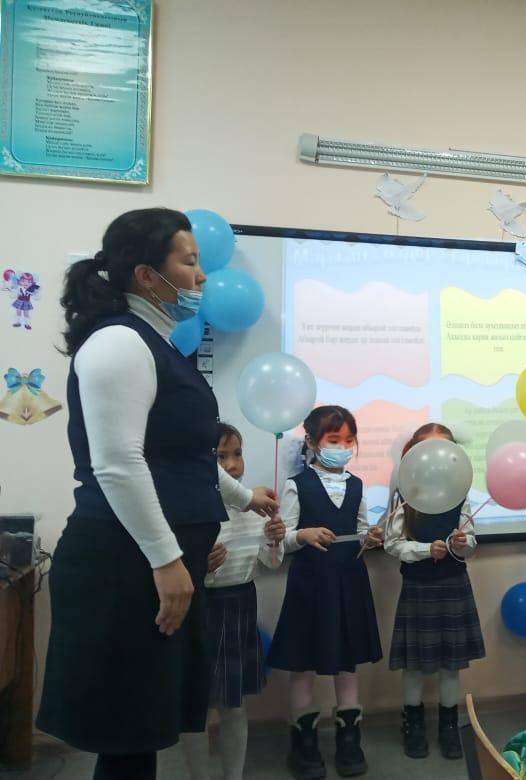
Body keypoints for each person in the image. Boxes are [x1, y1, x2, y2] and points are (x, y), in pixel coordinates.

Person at [36, 208, 278, 780]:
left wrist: (244, 498)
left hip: (152, 562)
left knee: (139, 733)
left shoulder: (159, 344)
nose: (202, 277)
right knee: (127, 738)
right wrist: (167, 560)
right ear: (147, 275)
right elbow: (118, 464)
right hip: (126, 566)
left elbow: (185, 455)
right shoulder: (119, 342)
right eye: (189, 262)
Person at [267, 405, 384, 779]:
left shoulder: (357, 485)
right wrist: (301, 535)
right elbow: (282, 538)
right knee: (303, 664)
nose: (343, 447)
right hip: (310, 586)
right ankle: (304, 744)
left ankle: (349, 742)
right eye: (334, 440)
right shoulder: (296, 484)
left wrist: (371, 538)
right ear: (313, 442)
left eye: (349, 440)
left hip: (350, 583)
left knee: (346, 663)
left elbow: (361, 531)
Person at [180, 423, 287, 780]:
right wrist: (200, 566)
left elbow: (270, 563)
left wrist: (275, 539)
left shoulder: (253, 507)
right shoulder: (190, 509)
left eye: (237, 454)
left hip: (240, 606)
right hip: (201, 609)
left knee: (234, 706)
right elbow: (173, 569)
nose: (231, 464)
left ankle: (233, 776)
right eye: (220, 456)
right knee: (195, 708)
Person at [383, 423, 485, 761]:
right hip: (418, 586)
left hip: (453, 584)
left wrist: (462, 544)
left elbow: (471, 544)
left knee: (450, 665)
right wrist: (426, 550)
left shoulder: (460, 492)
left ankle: (449, 726)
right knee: (413, 666)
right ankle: (412, 725)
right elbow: (392, 544)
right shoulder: (404, 494)